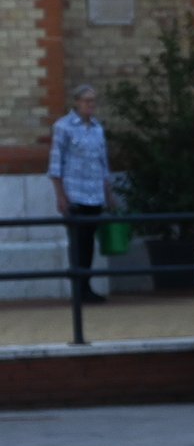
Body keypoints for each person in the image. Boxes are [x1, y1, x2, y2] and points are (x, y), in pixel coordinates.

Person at [48, 84, 114, 303]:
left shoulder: (97, 128)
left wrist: (108, 193)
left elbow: (103, 163)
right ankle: (78, 288)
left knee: (89, 243)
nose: (90, 105)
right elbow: (56, 163)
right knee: (77, 241)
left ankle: (87, 286)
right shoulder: (63, 127)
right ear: (76, 102)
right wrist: (61, 195)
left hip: (94, 193)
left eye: (93, 101)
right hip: (74, 193)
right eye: (86, 101)